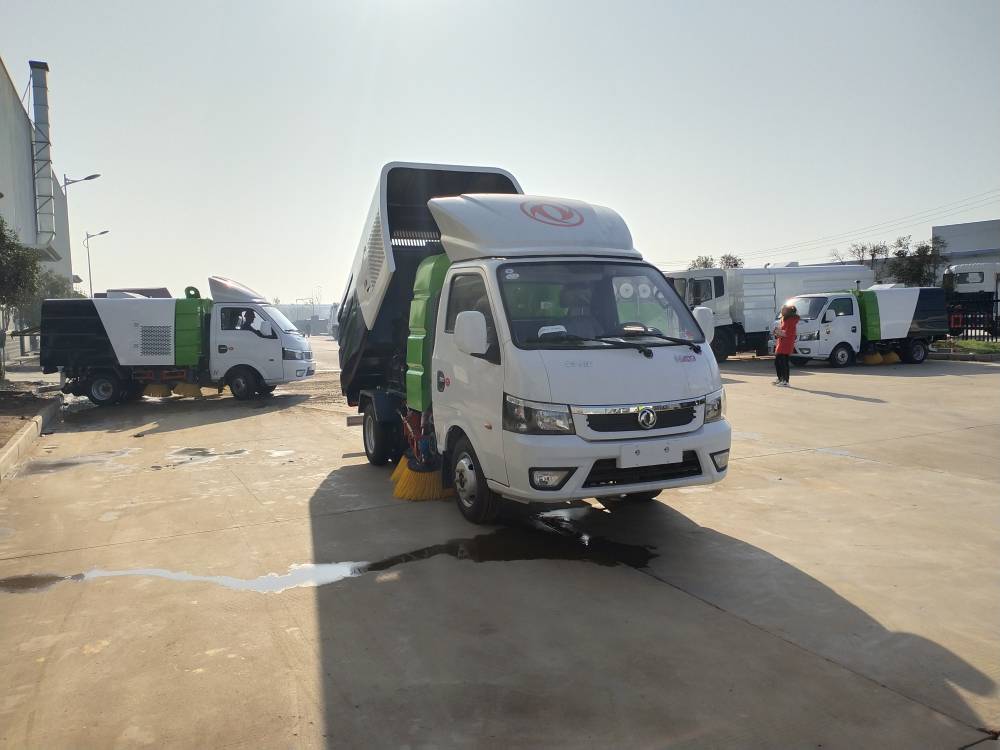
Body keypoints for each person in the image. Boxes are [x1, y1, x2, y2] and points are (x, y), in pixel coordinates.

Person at [773, 304, 799, 387]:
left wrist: (778, 332)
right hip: (781, 343)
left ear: (787, 311)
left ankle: (785, 381)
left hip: (786, 343)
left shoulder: (791, 320)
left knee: (784, 362)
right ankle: (780, 378)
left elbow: (788, 333)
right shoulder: (784, 319)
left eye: (783, 309)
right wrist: (777, 332)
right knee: (778, 361)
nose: (781, 311)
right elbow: (783, 331)